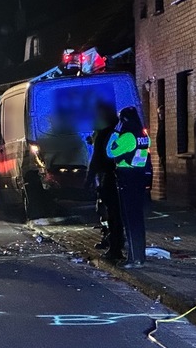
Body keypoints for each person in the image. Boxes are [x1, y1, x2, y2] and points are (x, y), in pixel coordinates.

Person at [106, 106, 151, 269]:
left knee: (130, 221)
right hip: (139, 177)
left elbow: (110, 152)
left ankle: (134, 259)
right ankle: (140, 256)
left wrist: (115, 133)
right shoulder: (143, 135)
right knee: (138, 220)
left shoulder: (127, 137)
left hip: (127, 178)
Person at [85, 103, 123, 261]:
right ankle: (113, 242)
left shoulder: (106, 133)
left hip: (109, 178)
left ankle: (115, 248)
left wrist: (89, 179)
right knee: (113, 215)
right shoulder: (117, 131)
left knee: (112, 215)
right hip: (119, 178)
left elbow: (97, 158)